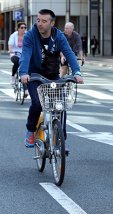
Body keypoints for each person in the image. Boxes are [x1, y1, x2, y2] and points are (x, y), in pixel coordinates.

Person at [19, 9, 83, 148]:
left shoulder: (59, 36)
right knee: (37, 104)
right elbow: (25, 55)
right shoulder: (30, 35)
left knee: (61, 105)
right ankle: (30, 130)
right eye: (38, 20)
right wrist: (23, 73)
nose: (40, 24)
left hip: (52, 74)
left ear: (52, 23)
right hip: (34, 75)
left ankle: (60, 139)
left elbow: (69, 53)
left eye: (44, 21)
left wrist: (77, 72)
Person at [8, 22, 27, 87]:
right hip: (15, 54)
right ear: (18, 28)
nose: (23, 29)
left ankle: (25, 87)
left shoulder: (27, 35)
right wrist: (11, 51)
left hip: (24, 54)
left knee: (26, 65)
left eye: (25, 28)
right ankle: (13, 77)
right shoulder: (13, 35)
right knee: (16, 62)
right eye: (22, 28)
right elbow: (10, 44)